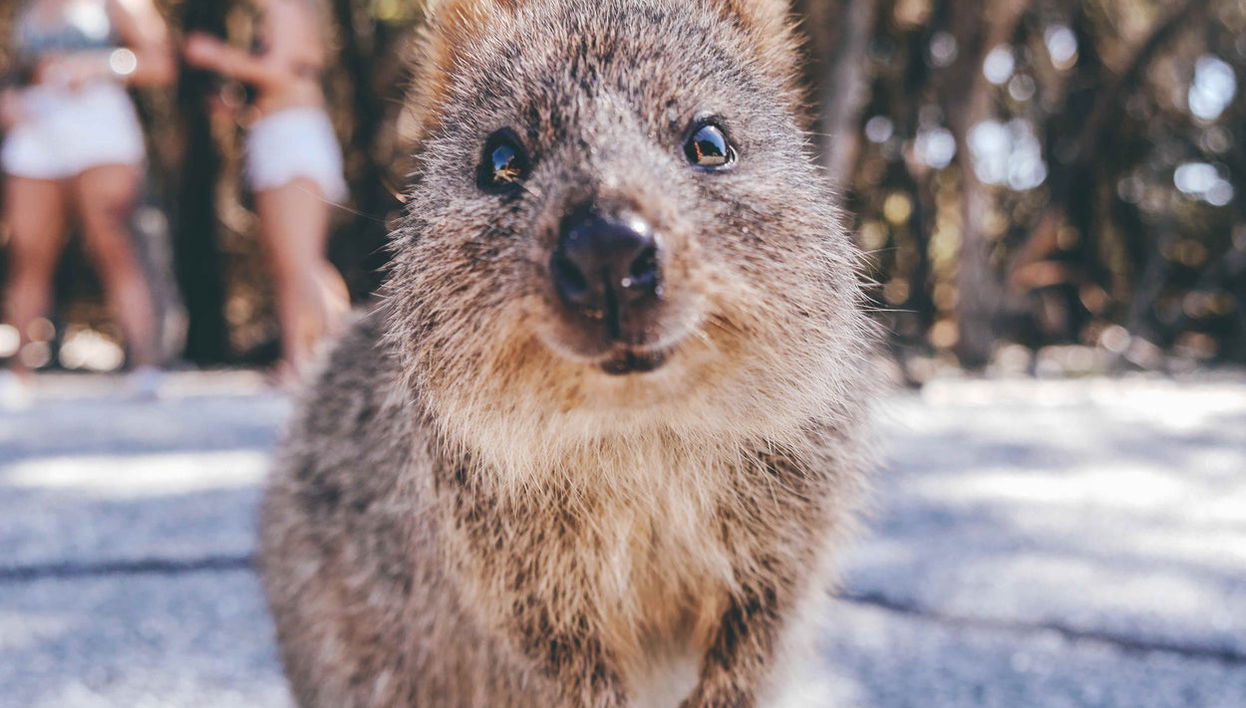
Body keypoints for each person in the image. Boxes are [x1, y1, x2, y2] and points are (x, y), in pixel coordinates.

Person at [0, 0, 174, 406]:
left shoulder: (117, 3)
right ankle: (19, 372)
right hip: (37, 128)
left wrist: (98, 66)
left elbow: (160, 64)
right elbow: (17, 72)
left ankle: (145, 366)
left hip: (99, 128)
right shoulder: (25, 10)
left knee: (113, 245)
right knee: (29, 252)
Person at [184, 0, 348, 385]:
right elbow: (284, 79)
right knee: (292, 262)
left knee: (301, 262)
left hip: (293, 140)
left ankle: (341, 360)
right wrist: (240, 107)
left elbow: (282, 75)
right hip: (279, 135)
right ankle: (297, 361)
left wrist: (214, 55)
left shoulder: (287, 8)